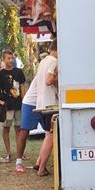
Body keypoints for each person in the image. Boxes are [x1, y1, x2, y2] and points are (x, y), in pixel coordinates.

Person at [0, 50, 26, 161]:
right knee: (6, 128)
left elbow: (22, 86)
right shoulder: (0, 74)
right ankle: (8, 152)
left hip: (18, 104)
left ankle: (20, 152)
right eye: (8, 58)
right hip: (7, 106)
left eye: (12, 58)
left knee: (19, 128)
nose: (11, 60)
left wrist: (23, 100)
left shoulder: (18, 72)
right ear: (3, 59)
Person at [35, 39, 58, 177]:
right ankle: (41, 168)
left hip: (42, 103)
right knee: (50, 136)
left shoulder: (43, 61)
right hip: (50, 104)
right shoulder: (54, 61)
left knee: (47, 135)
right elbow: (49, 80)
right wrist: (58, 77)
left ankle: (39, 162)